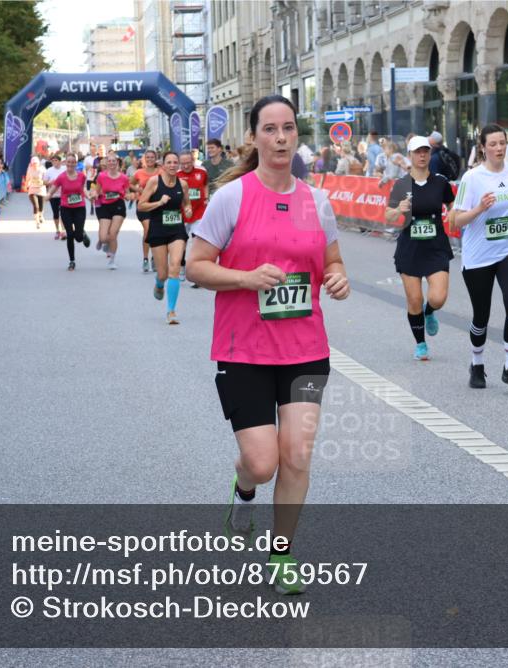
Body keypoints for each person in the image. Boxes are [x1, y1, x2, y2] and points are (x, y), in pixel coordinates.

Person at [186, 95, 349, 596]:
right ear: (254, 138)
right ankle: (245, 490)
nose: (280, 138)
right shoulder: (232, 198)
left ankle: (282, 553)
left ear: (296, 136)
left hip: (304, 347)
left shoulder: (314, 202)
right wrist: (245, 277)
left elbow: (334, 259)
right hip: (244, 349)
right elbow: (196, 265)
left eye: (288, 129)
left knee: (296, 456)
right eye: (270, 129)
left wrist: (339, 277)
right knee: (263, 461)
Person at [450, 123, 508, 393]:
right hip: (478, 255)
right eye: (493, 144)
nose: (499, 148)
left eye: (502, 143)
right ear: (483, 148)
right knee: (481, 315)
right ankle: (477, 363)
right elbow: (455, 220)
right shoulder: (472, 178)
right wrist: (479, 208)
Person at [383, 136, 455, 360]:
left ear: (429, 154)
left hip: (436, 247)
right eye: (417, 152)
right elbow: (388, 214)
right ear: (410, 155)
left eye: (425, 151)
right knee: (414, 300)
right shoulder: (402, 184)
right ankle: (421, 343)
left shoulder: (440, 182)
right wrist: (399, 210)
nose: (422, 155)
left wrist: (454, 213)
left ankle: (430, 311)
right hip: (410, 248)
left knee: (438, 297)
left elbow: (452, 205)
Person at [138, 151, 191, 322]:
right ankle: (159, 284)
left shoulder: (182, 184)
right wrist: (159, 202)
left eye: (176, 162)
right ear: (163, 165)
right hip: (158, 229)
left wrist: (188, 209)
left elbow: (187, 202)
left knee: (175, 267)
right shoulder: (154, 182)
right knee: (163, 273)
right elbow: (141, 206)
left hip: (176, 229)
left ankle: (171, 311)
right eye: (169, 162)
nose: (173, 165)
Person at [52, 154, 91, 271]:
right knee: (69, 235)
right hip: (65, 208)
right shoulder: (61, 177)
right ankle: (72, 261)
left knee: (78, 238)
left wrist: (88, 195)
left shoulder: (81, 176)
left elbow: (83, 189)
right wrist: (48, 196)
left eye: (73, 162)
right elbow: (53, 188)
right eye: (68, 162)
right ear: (65, 163)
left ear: (76, 163)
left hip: (79, 208)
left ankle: (82, 234)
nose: (70, 164)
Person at [90, 153, 129, 269]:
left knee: (113, 234)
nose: (111, 163)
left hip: (118, 205)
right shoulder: (101, 176)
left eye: (114, 161)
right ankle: (102, 241)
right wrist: (94, 195)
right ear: (106, 163)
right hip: (105, 206)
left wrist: (129, 196)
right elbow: (97, 191)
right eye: (109, 161)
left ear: (117, 163)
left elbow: (127, 192)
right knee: (103, 237)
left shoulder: (124, 177)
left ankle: (112, 260)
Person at [177, 151, 208, 281]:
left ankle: (195, 271)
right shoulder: (176, 175)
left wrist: (206, 197)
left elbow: (205, 184)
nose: (185, 166)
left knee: (197, 241)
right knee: (181, 242)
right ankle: (182, 265)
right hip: (182, 213)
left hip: (199, 212)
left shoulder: (201, 172)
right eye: (183, 163)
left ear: (193, 161)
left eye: (188, 163)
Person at [130, 150, 159, 272]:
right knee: (148, 229)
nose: (150, 159)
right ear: (144, 159)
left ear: (156, 158)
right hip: (143, 205)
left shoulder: (161, 171)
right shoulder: (139, 173)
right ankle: (146, 258)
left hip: (158, 205)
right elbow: (130, 184)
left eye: (152, 157)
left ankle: (154, 258)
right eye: (148, 157)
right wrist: (140, 191)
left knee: (156, 232)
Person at [43, 154, 67, 240]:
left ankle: (63, 231)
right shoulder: (49, 170)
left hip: (63, 195)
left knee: (63, 213)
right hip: (53, 195)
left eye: (56, 160)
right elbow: (44, 182)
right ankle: (57, 230)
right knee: (56, 214)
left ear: (60, 161)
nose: (54, 162)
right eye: (53, 161)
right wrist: (50, 183)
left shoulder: (64, 169)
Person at [25, 156, 46, 229]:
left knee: (41, 206)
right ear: (31, 163)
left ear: (38, 163)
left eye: (36, 163)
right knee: (36, 206)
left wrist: (43, 182)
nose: (34, 165)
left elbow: (46, 178)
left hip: (41, 189)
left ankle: (40, 215)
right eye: (33, 163)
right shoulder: (30, 169)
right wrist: (26, 186)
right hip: (32, 189)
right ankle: (37, 222)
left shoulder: (42, 169)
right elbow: (27, 179)